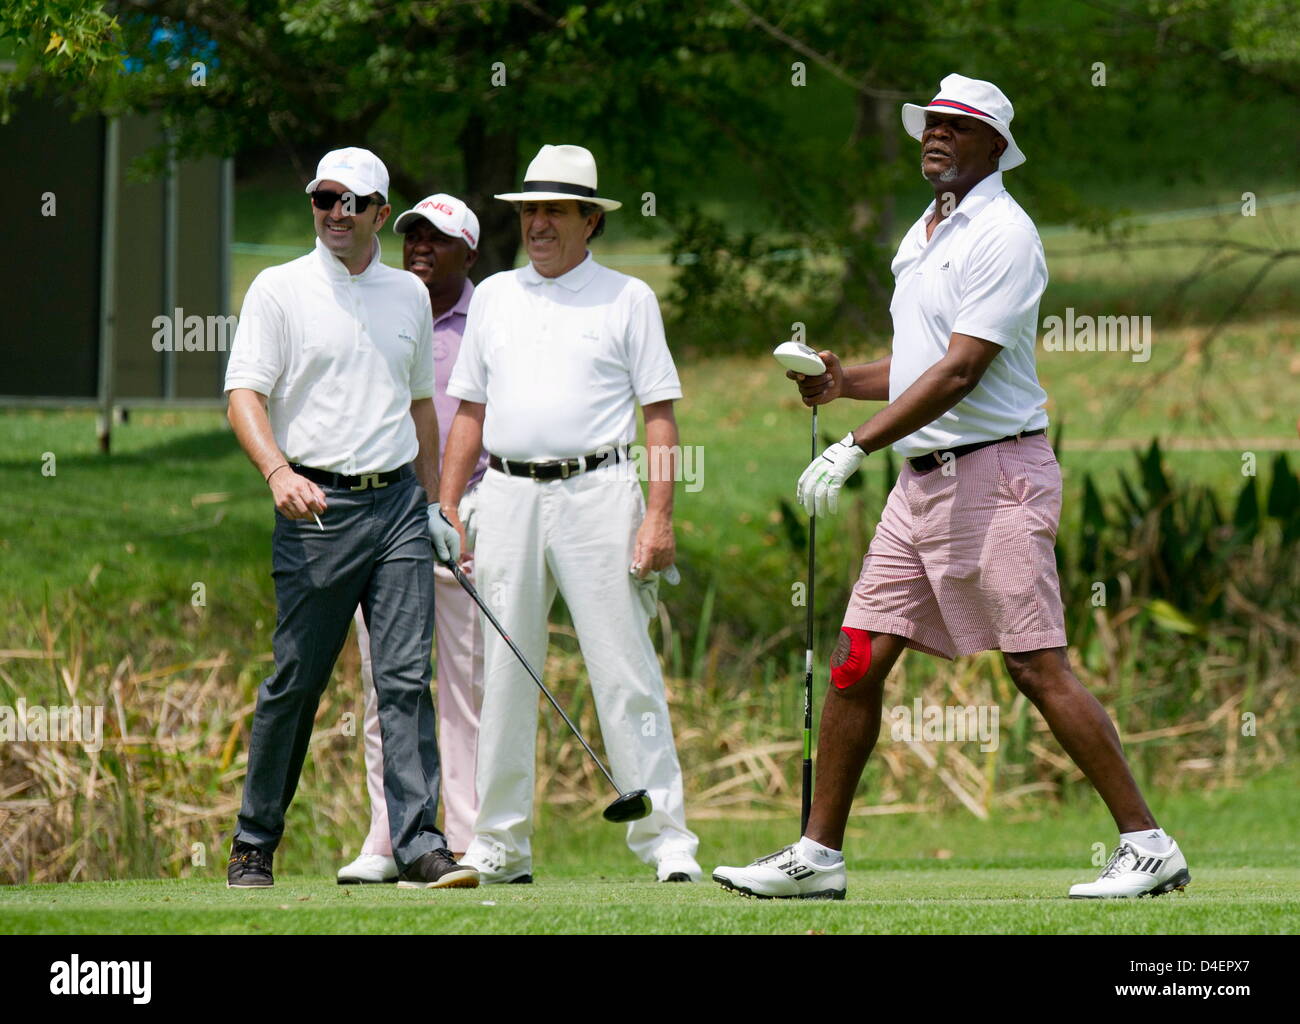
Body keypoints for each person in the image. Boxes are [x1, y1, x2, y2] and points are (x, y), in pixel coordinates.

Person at [714, 75, 1190, 900]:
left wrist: (855, 446)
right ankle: (817, 857)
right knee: (857, 660)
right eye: (931, 124)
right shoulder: (926, 230)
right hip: (921, 486)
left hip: (999, 475)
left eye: (958, 127)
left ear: (996, 147)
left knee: (1037, 667)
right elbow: (918, 366)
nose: (936, 136)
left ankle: (1150, 846)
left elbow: (964, 370)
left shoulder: (1004, 234)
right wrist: (841, 384)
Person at [438, 144, 702, 883]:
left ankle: (666, 840)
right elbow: (469, 412)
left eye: (555, 211)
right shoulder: (493, 296)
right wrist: (449, 503)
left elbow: (659, 417)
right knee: (505, 671)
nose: (539, 224)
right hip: (509, 496)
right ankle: (499, 845)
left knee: (624, 673)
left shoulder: (628, 298)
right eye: (529, 211)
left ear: (592, 220)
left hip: (599, 495)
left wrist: (659, 517)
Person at [222, 147, 475, 890]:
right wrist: (278, 472)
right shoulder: (279, 289)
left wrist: (434, 505)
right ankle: (254, 842)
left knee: (403, 680)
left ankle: (421, 843)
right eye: (323, 198)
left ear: (379, 214)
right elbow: (244, 394)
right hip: (316, 509)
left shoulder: (405, 296)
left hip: (397, 504)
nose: (335, 211)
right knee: (297, 681)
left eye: (352, 201)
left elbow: (421, 407)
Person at [337, 194, 490, 883]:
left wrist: (454, 505)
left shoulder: (486, 319)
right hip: (384, 512)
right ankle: (390, 835)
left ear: (470, 253)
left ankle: (465, 834)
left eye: (438, 239)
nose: (421, 247)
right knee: (388, 685)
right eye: (413, 236)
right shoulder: (381, 306)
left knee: (465, 686)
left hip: (469, 513)